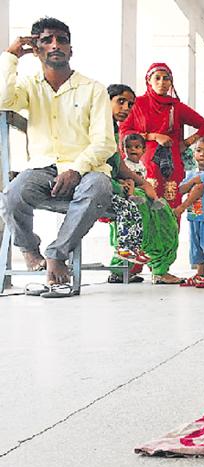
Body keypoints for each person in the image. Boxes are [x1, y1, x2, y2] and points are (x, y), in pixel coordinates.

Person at [0, 17, 115, 291]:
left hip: (86, 171)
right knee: (12, 194)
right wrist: (11, 55)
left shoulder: (93, 89)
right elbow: (3, 99)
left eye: (62, 40)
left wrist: (76, 169)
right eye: (47, 40)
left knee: (99, 187)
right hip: (43, 171)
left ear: (71, 49)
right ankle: (29, 250)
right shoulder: (29, 86)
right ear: (36, 49)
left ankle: (57, 255)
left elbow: (105, 142)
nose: (55, 45)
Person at [106, 83, 181, 285]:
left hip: (119, 183)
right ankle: (122, 267)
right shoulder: (93, 125)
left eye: (130, 104)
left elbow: (118, 165)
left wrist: (143, 184)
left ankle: (159, 268)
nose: (126, 108)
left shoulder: (113, 129)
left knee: (163, 209)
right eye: (120, 101)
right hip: (100, 184)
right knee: (141, 207)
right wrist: (126, 185)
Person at [119, 63, 204, 209]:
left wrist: (186, 143)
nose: (162, 82)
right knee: (145, 205)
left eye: (166, 78)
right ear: (148, 80)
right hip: (143, 165)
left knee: (171, 207)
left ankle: (170, 232)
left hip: (172, 166)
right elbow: (124, 132)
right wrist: (153, 136)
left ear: (171, 82)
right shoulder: (138, 104)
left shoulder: (176, 107)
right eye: (157, 78)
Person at [174, 137, 204, 288]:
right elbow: (181, 189)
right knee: (196, 246)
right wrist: (193, 181)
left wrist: (182, 207)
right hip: (194, 216)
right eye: (199, 151)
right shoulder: (191, 174)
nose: (202, 154)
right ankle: (199, 274)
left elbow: (197, 190)